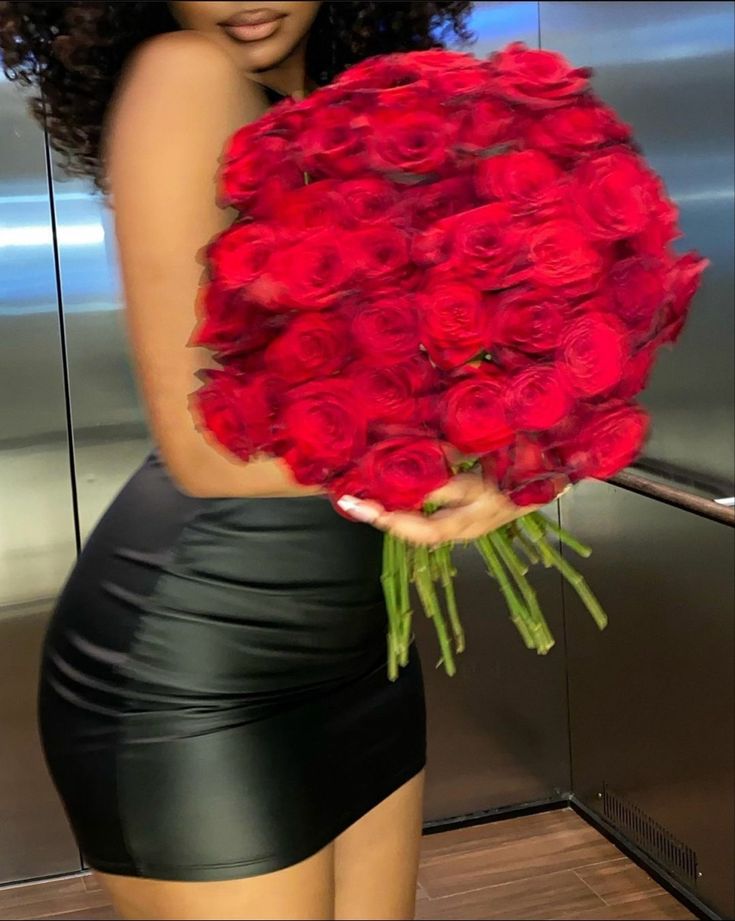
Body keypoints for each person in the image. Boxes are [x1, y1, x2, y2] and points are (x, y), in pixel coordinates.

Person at [1, 3, 539, 918]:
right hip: (200, 666)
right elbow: (207, 450)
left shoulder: (350, 90)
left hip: (361, 642)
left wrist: (523, 418)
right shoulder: (188, 68)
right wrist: (479, 448)